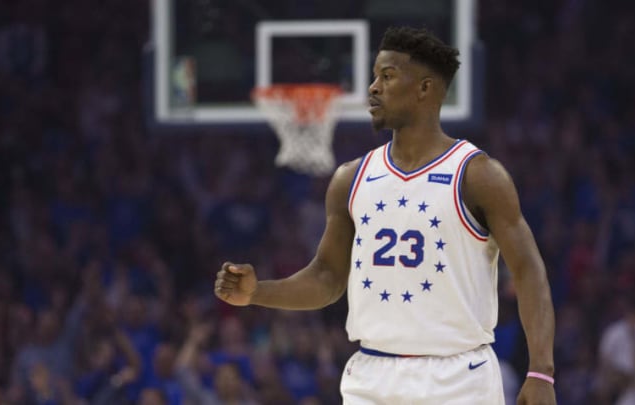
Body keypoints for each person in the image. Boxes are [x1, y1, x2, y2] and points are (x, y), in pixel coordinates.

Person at [215, 26, 556, 404]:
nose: (373, 87)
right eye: (374, 76)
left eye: (388, 76)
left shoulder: (478, 175)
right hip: (371, 376)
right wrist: (257, 292)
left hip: (458, 378)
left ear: (425, 89)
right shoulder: (350, 179)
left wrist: (541, 370)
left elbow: (528, 270)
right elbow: (327, 278)